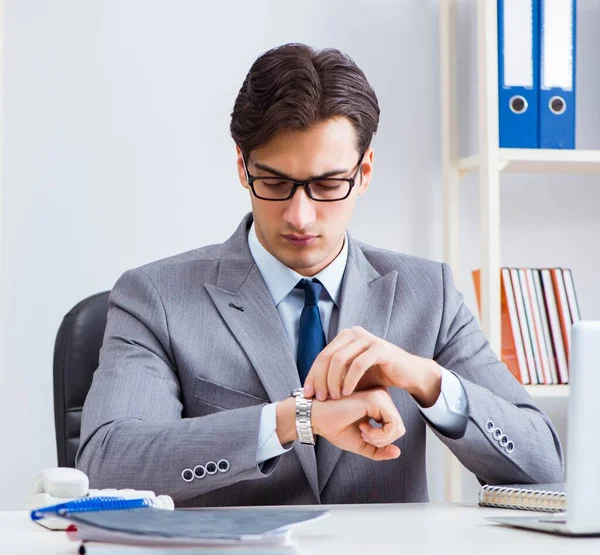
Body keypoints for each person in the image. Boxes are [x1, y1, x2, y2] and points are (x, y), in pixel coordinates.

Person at [77, 43, 563, 506]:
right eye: (275, 183)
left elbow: (545, 469)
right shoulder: (155, 296)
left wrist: (428, 380)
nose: (300, 216)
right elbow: (108, 466)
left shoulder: (428, 294)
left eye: (328, 184)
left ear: (364, 171)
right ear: (243, 169)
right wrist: (293, 420)